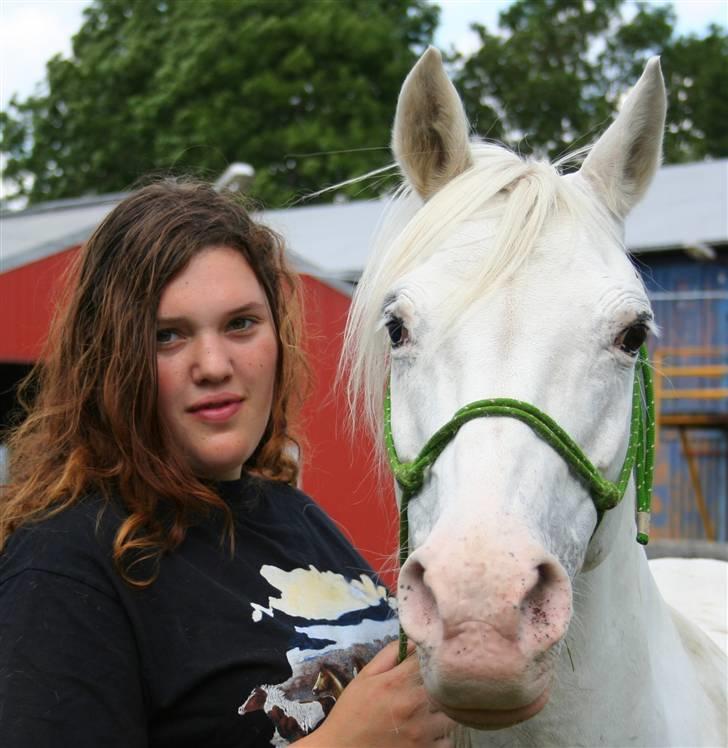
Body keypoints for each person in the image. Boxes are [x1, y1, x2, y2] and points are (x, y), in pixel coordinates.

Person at [0, 180, 454, 747]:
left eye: (241, 323)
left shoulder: (297, 516)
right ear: (110, 360)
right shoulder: (65, 564)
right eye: (168, 335)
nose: (214, 365)